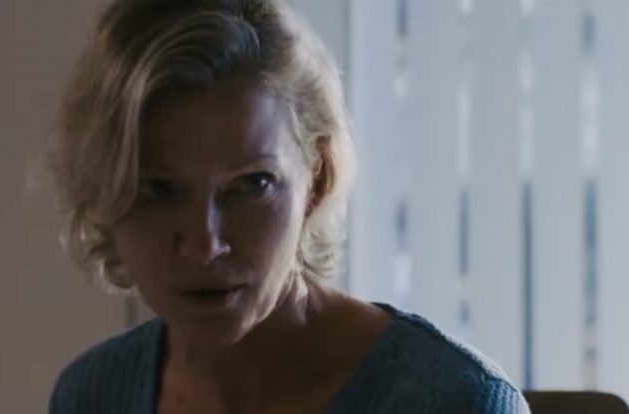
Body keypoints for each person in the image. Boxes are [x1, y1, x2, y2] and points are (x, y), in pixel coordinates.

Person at [47, 0, 530, 412]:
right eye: (157, 190)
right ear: (103, 194)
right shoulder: (94, 395)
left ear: (316, 179)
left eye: (251, 185)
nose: (204, 245)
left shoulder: (454, 401)